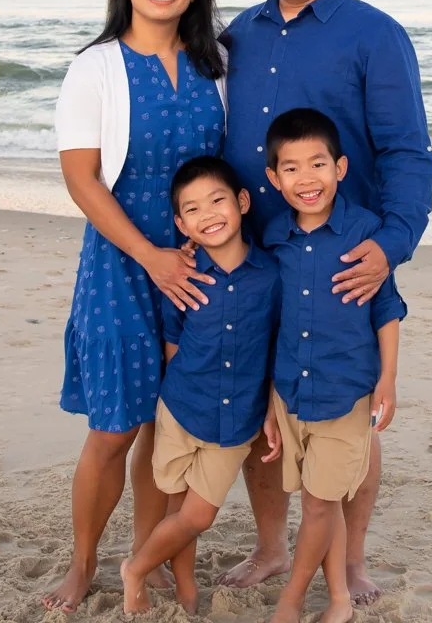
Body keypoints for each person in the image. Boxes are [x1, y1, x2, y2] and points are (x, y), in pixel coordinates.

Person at [217, 0, 432, 604]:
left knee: (350, 418)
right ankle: (273, 548)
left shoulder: (375, 32)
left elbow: (407, 151)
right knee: (262, 412)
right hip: (256, 257)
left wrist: (393, 244)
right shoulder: (238, 36)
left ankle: (352, 562)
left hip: (345, 259)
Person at [44, 0, 227, 613]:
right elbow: (82, 178)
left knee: (171, 432)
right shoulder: (96, 66)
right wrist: (149, 255)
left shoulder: (217, 68)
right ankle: (83, 561)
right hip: (123, 263)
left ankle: (147, 559)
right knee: (116, 426)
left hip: (198, 268)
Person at [259, 108, 405, 623]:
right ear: (274, 180)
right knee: (319, 499)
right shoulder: (274, 238)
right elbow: (271, 320)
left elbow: (386, 307)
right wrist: (270, 403)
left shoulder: (366, 232)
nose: (307, 179)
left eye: (318, 164)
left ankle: (292, 601)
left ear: (340, 168)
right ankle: (340, 600)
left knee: (319, 505)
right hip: (292, 391)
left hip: (346, 392)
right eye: (292, 168)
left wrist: (388, 377)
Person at [120, 155, 280, 615]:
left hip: (236, 422)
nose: (208, 214)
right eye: (192, 209)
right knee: (177, 512)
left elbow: (276, 348)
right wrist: (169, 398)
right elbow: (173, 343)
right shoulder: (183, 276)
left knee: (198, 516)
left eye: (217, 200)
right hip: (181, 410)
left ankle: (136, 567)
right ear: (181, 223)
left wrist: (271, 406)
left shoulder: (271, 277)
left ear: (243, 201)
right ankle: (185, 585)